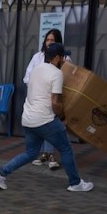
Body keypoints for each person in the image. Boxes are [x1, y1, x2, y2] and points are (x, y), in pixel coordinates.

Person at [0, 43, 93, 192]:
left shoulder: (36, 69)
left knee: (30, 153)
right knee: (65, 149)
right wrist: (62, 116)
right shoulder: (56, 74)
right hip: (45, 120)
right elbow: (55, 102)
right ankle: (75, 183)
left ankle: (0, 174)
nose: (64, 60)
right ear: (57, 58)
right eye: (63, 57)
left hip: (28, 119)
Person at [23, 29, 67, 170]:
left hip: (54, 95)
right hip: (38, 97)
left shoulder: (63, 59)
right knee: (43, 125)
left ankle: (51, 155)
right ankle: (45, 154)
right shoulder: (38, 57)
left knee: (50, 123)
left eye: (52, 40)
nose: (49, 43)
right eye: (47, 40)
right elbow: (27, 76)